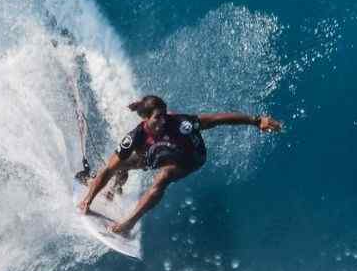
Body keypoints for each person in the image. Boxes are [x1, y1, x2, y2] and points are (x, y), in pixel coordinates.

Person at [77, 94, 283, 235]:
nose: (164, 121)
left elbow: (218, 118)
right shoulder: (135, 137)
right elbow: (109, 168)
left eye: (164, 115)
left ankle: (129, 224)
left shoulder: (181, 124)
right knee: (121, 165)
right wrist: (88, 199)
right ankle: (115, 190)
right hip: (159, 152)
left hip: (190, 157)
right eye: (158, 117)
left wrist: (256, 121)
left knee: (163, 177)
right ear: (145, 119)